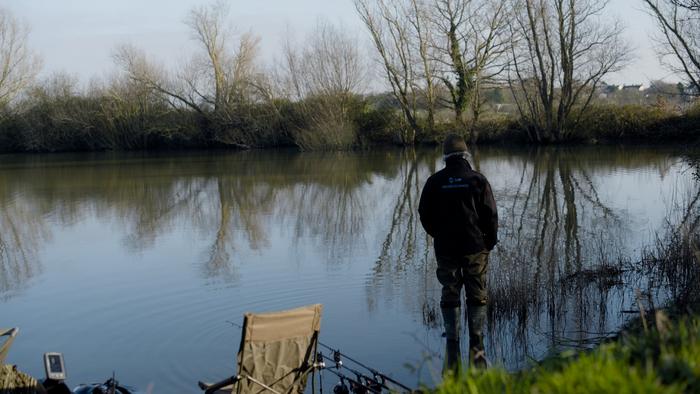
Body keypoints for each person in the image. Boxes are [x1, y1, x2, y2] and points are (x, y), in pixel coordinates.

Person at [418, 134, 498, 371]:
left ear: (445, 157)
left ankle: (452, 341)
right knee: (477, 292)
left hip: (446, 248)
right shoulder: (477, 180)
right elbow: (490, 215)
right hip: (475, 246)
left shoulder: (434, 181)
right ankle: (477, 339)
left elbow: (424, 214)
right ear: (466, 155)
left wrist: (437, 234)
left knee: (449, 290)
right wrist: (489, 242)